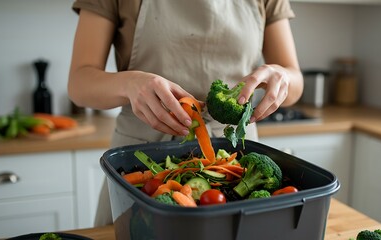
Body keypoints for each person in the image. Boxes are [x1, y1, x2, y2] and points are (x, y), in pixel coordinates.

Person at [69, 0, 303, 226]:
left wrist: (281, 76)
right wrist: (129, 83)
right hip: (142, 154)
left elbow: (295, 84)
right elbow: (79, 84)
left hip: (236, 155)